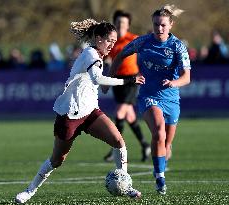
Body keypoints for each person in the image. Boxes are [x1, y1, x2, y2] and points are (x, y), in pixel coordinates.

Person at [15, 19, 144, 204]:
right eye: (109, 41)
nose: (112, 45)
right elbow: (98, 79)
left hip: (90, 112)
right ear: (98, 38)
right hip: (70, 114)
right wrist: (128, 80)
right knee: (57, 160)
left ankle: (124, 183)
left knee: (118, 142)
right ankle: (29, 191)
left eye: (115, 42)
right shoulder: (90, 54)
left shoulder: (98, 54)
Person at [106, 4, 191, 195]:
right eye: (155, 25)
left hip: (171, 99)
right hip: (148, 96)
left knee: (167, 145)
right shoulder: (142, 42)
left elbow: (187, 77)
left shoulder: (178, 46)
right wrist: (109, 80)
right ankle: (160, 178)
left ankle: (159, 164)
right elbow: (119, 56)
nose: (159, 29)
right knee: (159, 133)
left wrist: (174, 83)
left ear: (170, 25)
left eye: (162, 25)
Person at [103, 10, 150, 162]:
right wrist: (107, 62)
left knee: (119, 113)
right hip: (117, 80)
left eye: (123, 23)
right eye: (117, 22)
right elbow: (108, 58)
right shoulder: (111, 40)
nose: (120, 25)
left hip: (131, 79)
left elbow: (146, 53)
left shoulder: (134, 39)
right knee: (129, 115)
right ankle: (144, 145)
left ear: (128, 25)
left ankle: (115, 148)